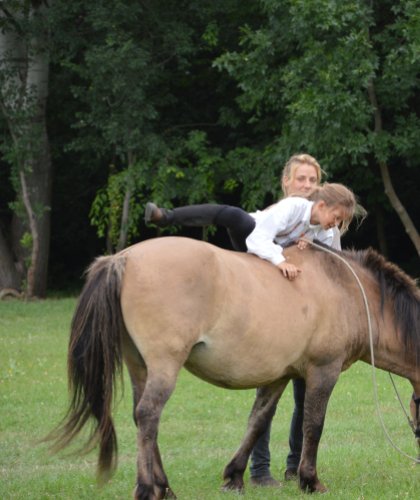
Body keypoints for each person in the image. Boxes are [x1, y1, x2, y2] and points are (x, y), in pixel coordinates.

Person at [145, 154, 357, 486]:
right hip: (254, 243)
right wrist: (281, 258)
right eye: (301, 179)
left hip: (295, 301)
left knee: (305, 392)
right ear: (286, 182)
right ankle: (166, 216)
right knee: (233, 215)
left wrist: (312, 245)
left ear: (321, 187)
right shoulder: (289, 209)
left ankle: (296, 466)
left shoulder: (324, 228)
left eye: (312, 180)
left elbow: (334, 262)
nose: (307, 186)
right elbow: (258, 240)